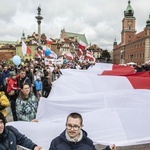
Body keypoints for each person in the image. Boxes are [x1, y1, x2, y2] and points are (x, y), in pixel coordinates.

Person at [49, 112, 116, 150]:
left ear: (81, 126)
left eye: (75, 126)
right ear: (66, 125)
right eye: (69, 125)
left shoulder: (88, 143)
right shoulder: (56, 142)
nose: (72, 129)